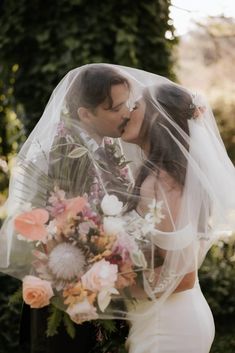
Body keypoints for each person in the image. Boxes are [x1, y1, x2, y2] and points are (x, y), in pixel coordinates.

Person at [0, 64, 133, 353]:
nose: (127, 113)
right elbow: (35, 225)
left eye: (127, 104)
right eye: (116, 108)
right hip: (65, 297)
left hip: (102, 288)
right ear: (86, 114)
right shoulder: (59, 154)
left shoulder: (108, 146)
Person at [120, 81, 235, 353]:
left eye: (136, 106)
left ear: (157, 116)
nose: (127, 112)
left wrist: (105, 289)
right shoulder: (162, 174)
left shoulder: (164, 182)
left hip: (169, 327)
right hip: (161, 319)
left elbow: (183, 277)